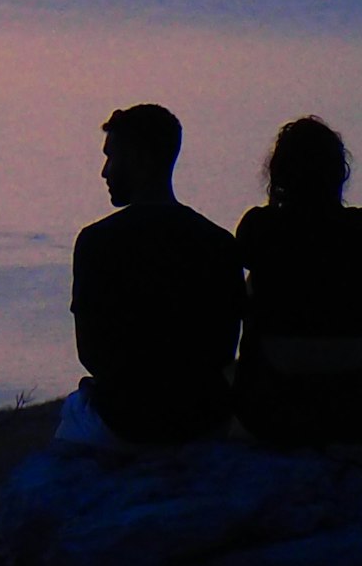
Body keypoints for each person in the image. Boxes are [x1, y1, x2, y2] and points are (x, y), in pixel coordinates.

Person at [232, 115, 362, 448]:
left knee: (251, 285)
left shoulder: (260, 228)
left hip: (272, 411)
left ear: (279, 175)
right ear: (339, 173)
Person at [67, 102, 243, 448]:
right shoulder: (219, 243)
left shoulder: (96, 242)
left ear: (138, 159)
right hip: (202, 418)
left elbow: (91, 353)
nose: (104, 172)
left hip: (125, 420)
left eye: (111, 157)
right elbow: (224, 349)